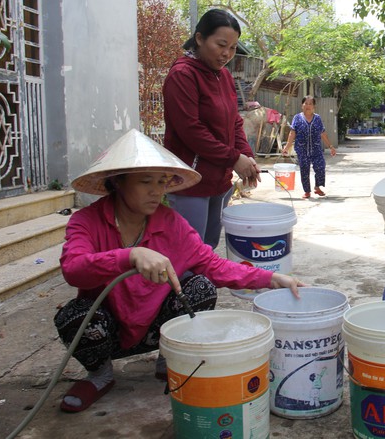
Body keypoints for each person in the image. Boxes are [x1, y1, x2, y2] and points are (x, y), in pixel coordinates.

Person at [56, 129, 305, 413]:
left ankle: (170, 360)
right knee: (73, 315)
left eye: (162, 182)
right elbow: (73, 270)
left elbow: (214, 266)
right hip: (108, 330)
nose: (156, 191)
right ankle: (100, 375)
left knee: (200, 287)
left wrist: (271, 278)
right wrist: (130, 256)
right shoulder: (86, 221)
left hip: (156, 329)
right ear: (118, 182)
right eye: (145, 182)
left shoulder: (171, 222)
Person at [162, 8, 260, 249]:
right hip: (190, 181)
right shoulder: (182, 75)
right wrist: (233, 158)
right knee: (189, 250)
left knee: (209, 246)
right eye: (221, 44)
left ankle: (202, 287)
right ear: (199, 39)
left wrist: (245, 155)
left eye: (233, 47)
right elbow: (191, 131)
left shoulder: (224, 76)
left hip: (220, 178)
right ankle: (181, 288)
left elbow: (234, 121)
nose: (226, 53)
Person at [281, 95, 337, 199]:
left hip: (316, 149)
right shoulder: (297, 118)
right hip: (302, 149)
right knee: (304, 170)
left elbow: (323, 134)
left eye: (310, 104)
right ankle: (307, 191)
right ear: (302, 105)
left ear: (314, 106)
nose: (308, 106)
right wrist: (287, 147)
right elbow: (292, 133)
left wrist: (331, 146)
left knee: (320, 166)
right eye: (305, 103)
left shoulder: (317, 118)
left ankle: (317, 187)